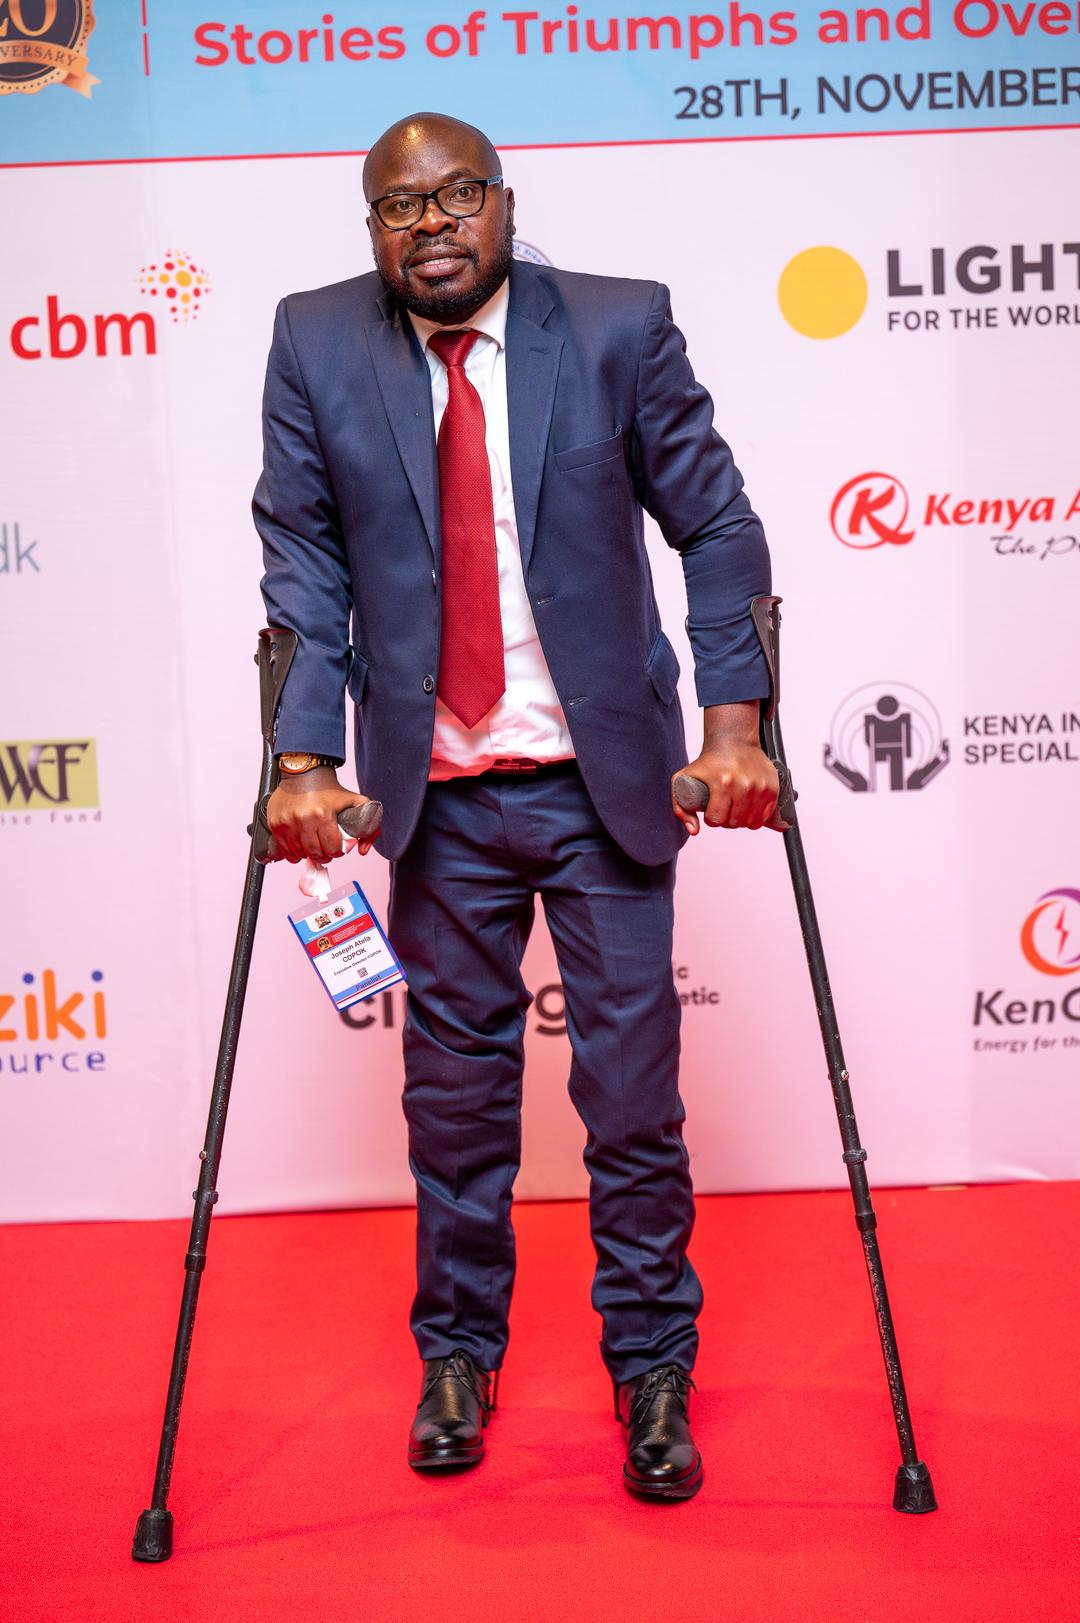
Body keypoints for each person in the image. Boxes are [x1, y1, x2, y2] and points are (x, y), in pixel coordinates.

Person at [256, 111, 779, 1502]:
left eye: (455, 197)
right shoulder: (315, 342)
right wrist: (302, 760)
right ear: (371, 228)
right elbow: (303, 556)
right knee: (455, 1108)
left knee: (632, 1104)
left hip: (603, 786)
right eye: (398, 207)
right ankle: (457, 1357)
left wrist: (736, 728)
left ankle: (653, 1367)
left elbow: (717, 526)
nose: (430, 226)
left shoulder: (614, 326)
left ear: (502, 200)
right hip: (436, 795)